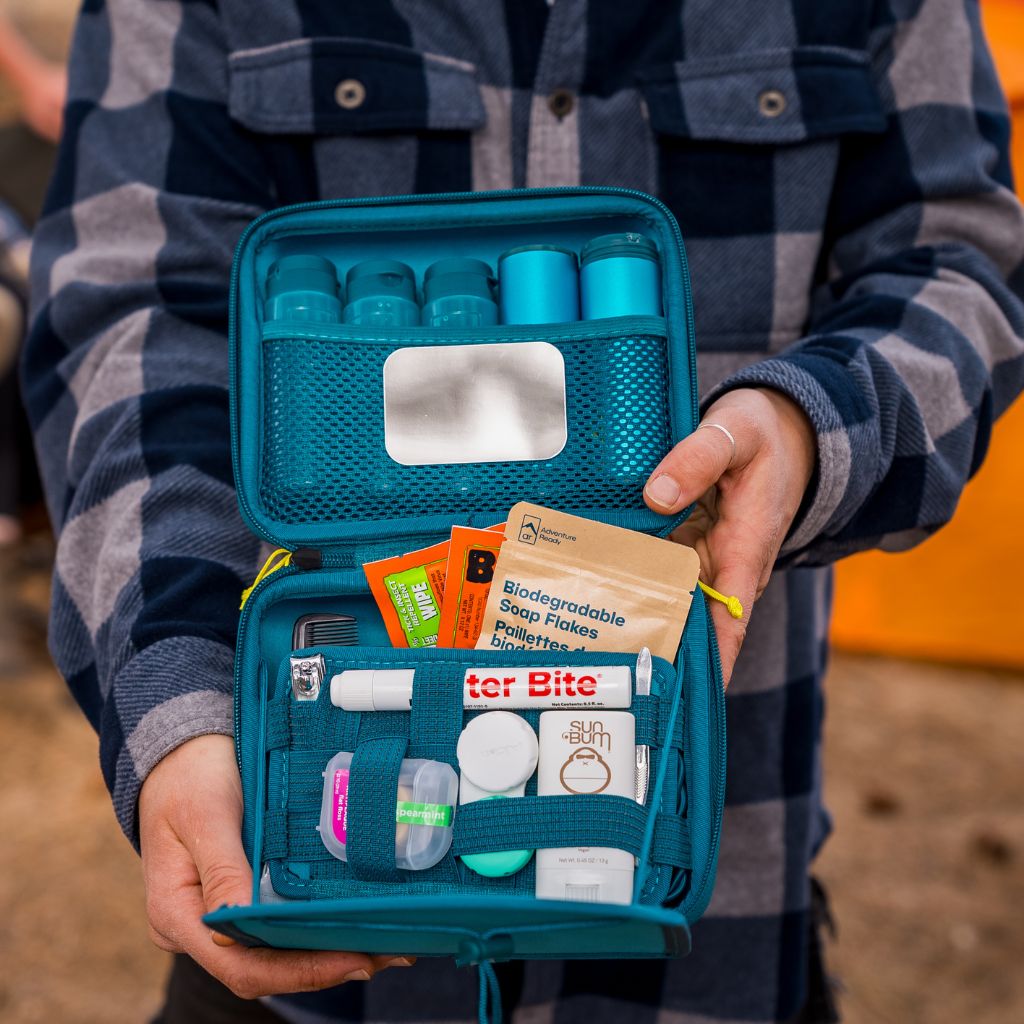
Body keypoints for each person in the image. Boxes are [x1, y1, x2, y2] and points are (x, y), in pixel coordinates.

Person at [22, 2, 1024, 1023]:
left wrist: (811, 430)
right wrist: (181, 714)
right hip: (309, 903)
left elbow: (962, 266)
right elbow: (131, 321)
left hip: (707, 935)